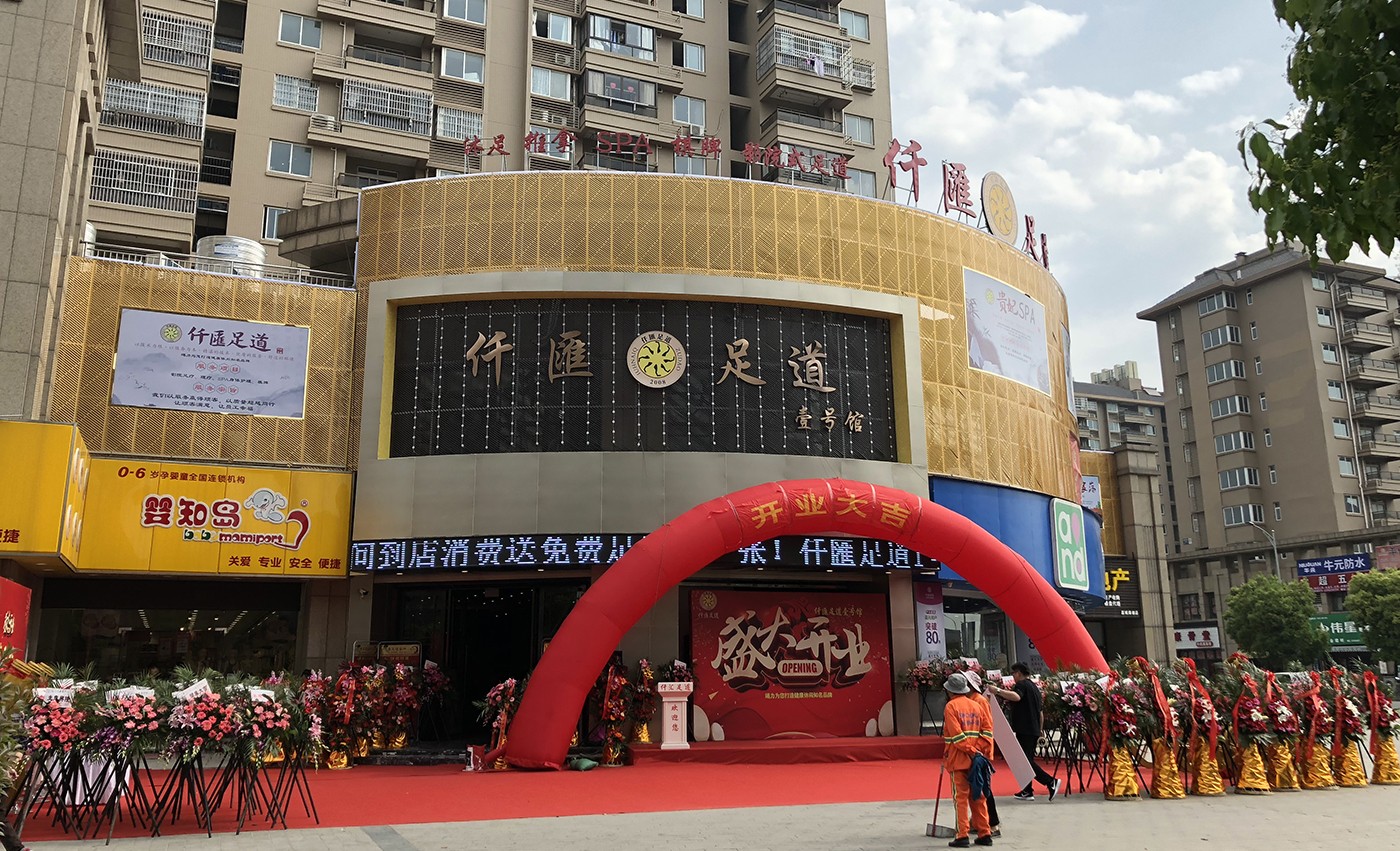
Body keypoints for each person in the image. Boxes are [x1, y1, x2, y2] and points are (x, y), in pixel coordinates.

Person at [987, 662, 1060, 801]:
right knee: (1027, 760)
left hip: (1025, 728)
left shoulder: (1021, 685)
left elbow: (1016, 696)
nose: (1013, 676)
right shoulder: (1034, 687)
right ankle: (1027, 790)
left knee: (1025, 762)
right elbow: (1040, 712)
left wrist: (997, 691)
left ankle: (1050, 782)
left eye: (1013, 673)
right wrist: (1040, 729)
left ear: (1019, 673)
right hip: (1033, 729)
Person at [941, 672, 995, 848]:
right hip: (977, 761)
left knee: (961, 799)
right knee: (978, 796)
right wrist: (978, 751)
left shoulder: (951, 707)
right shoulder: (977, 705)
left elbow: (957, 737)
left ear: (950, 691)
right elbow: (987, 732)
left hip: (958, 759)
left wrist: (971, 751)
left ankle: (962, 835)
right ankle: (985, 833)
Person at [961, 670, 1001, 838]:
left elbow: (986, 728)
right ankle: (977, 821)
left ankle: (993, 824)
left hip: (980, 751)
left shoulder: (979, 701)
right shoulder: (971, 700)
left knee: (984, 787)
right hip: (974, 750)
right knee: (976, 787)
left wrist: (977, 749)